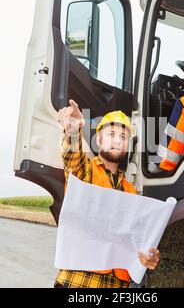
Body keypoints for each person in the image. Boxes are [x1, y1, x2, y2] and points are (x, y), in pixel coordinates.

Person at [55, 100, 160, 288]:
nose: (118, 140)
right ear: (99, 140)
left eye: (123, 136)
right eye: (111, 134)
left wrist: (149, 257)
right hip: (79, 282)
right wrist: (72, 131)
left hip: (117, 284)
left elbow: (138, 243)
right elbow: (72, 157)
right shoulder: (85, 172)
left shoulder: (132, 192)